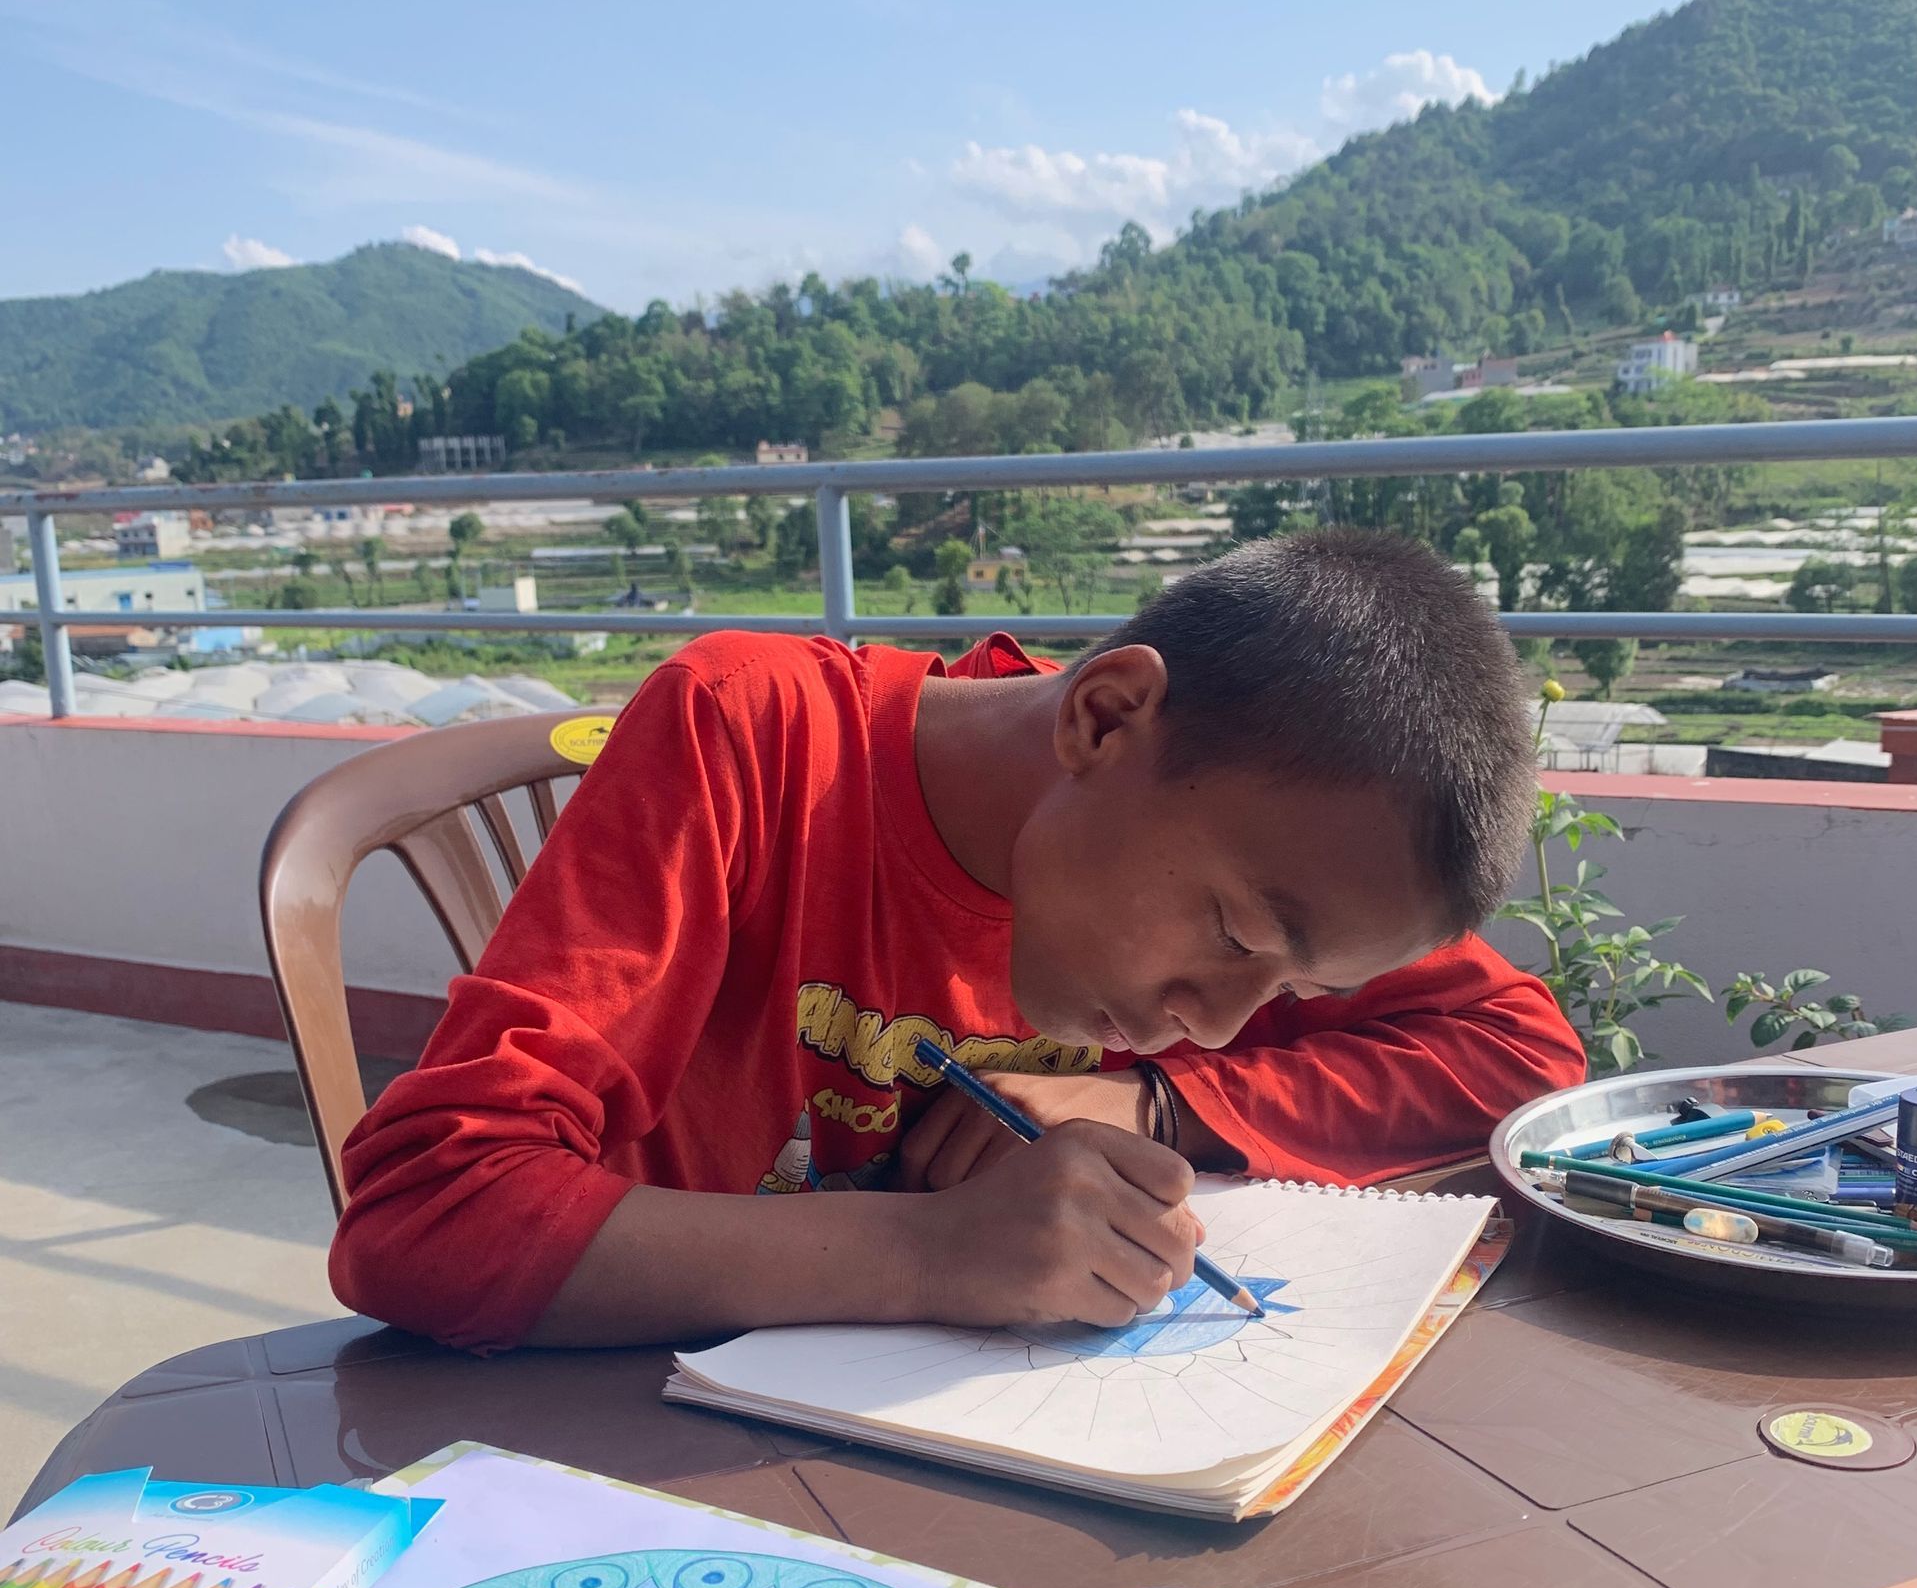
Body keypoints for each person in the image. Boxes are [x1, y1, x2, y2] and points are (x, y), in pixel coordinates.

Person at [330, 528, 1582, 1351]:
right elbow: (428, 1216)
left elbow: (1524, 1055)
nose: (1223, 1013)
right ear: (1104, 718)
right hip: (644, 1451)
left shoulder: (1259, 835)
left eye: (1294, 986)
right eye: (1237, 934)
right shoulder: (752, 743)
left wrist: (1155, 1105)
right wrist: (933, 1252)